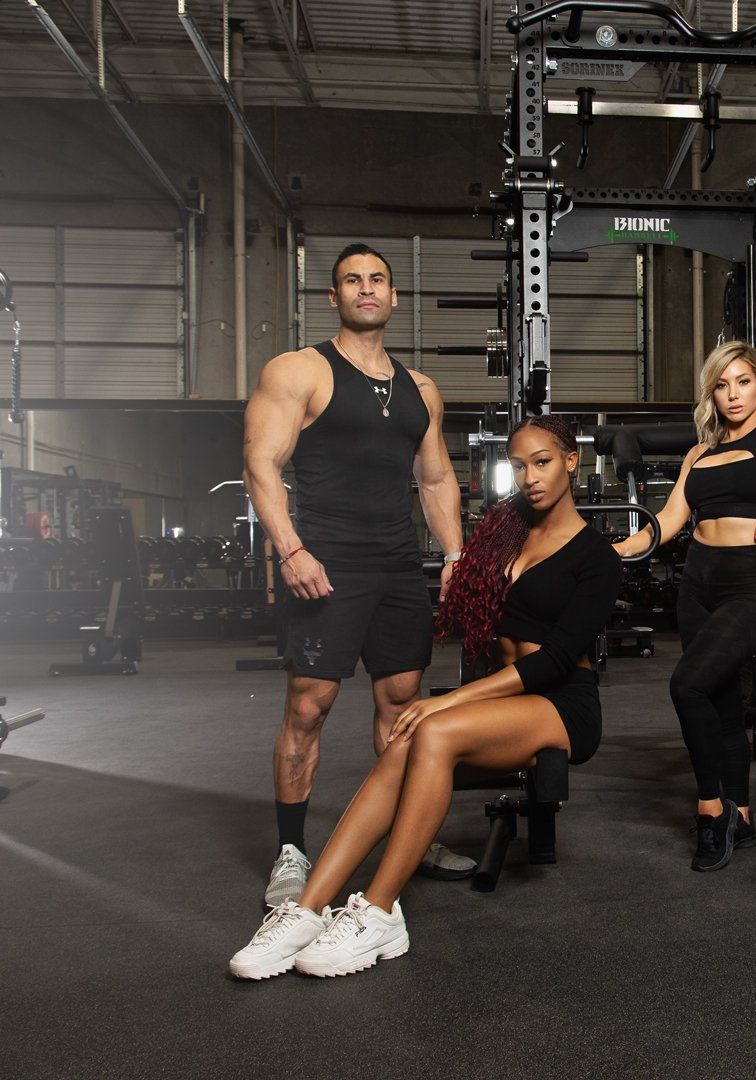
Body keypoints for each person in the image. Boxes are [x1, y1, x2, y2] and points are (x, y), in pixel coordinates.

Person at [230, 415, 623, 979]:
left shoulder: (595, 557)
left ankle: (381, 910)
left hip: (562, 706)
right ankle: (307, 908)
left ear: (570, 461)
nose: (530, 476)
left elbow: (556, 661)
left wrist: (449, 701)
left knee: (431, 725)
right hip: (502, 701)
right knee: (406, 740)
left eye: (542, 461)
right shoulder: (503, 528)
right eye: (518, 466)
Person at [242, 242, 471, 907]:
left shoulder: (420, 389)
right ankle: (291, 853)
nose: (366, 289)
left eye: (377, 280)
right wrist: (290, 549)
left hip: (398, 567)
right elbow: (263, 466)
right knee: (308, 707)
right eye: (352, 280)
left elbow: (434, 480)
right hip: (327, 564)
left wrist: (455, 553)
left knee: (403, 706)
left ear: (394, 296)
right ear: (334, 297)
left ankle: (408, 833)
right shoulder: (299, 372)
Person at [614, 341, 756, 871]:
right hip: (698, 581)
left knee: (686, 684)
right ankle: (741, 815)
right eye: (722, 385)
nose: (733, 394)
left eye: (742, 381)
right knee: (718, 701)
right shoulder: (699, 453)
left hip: (749, 582)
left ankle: (710, 808)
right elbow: (669, 521)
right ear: (711, 394)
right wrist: (615, 550)